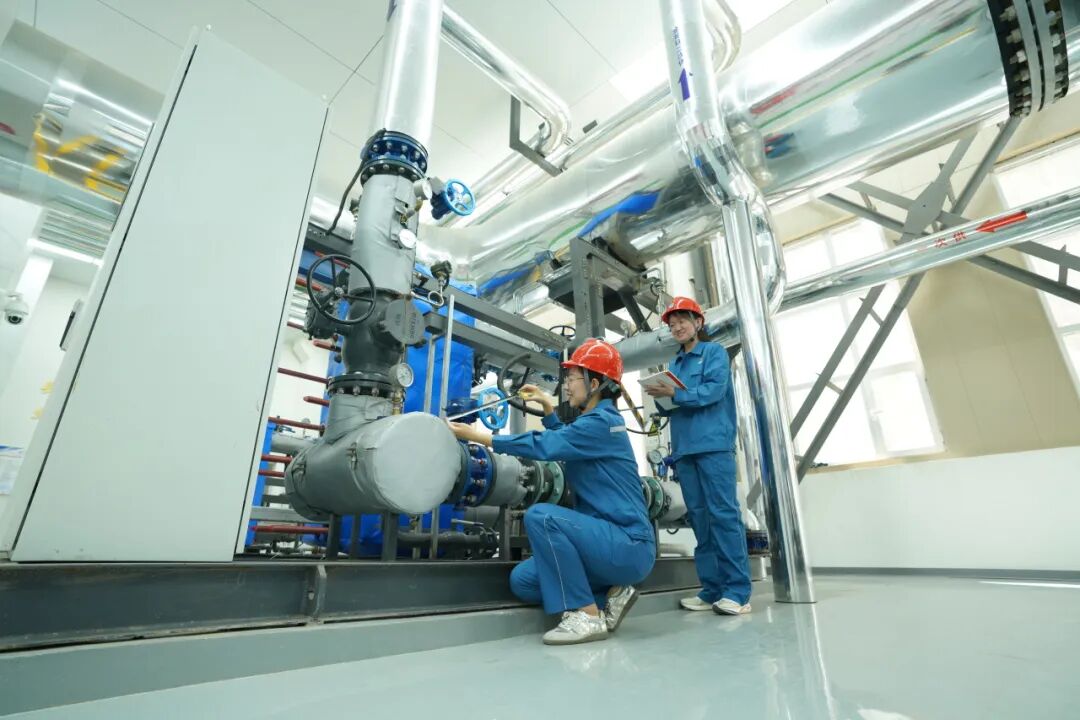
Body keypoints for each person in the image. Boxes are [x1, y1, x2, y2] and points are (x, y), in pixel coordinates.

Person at [449, 338, 655, 645]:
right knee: (523, 581)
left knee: (541, 517)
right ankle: (612, 594)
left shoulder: (602, 422)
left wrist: (482, 438)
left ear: (594, 383)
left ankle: (587, 616)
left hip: (628, 544)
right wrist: (548, 409)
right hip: (603, 544)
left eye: (572, 378)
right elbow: (567, 440)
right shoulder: (594, 424)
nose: (567, 386)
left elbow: (547, 445)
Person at [644, 296, 751, 615]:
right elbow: (674, 405)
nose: (676, 327)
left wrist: (675, 393)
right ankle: (712, 589)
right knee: (700, 519)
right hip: (685, 449)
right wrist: (660, 398)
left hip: (713, 446)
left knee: (723, 515)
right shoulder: (675, 363)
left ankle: (738, 592)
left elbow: (712, 392)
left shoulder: (714, 353)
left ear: (698, 323)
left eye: (682, 321)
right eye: (672, 324)